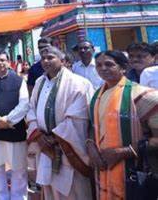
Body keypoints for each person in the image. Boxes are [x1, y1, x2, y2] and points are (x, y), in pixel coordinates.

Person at [87, 50, 158, 200]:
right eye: (99, 65)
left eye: (109, 64)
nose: (103, 68)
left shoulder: (143, 96)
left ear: (123, 68)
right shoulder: (97, 96)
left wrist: (124, 152)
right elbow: (94, 127)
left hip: (135, 172)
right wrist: (91, 147)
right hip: (103, 168)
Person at [27, 46, 93, 199]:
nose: (45, 61)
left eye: (50, 57)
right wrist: (38, 135)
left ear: (63, 61)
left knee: (72, 189)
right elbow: (31, 109)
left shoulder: (79, 83)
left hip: (68, 146)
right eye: (43, 58)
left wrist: (54, 138)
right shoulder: (39, 82)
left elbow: (78, 117)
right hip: (44, 145)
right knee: (50, 188)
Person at [0, 50, 29, 200]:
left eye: (3, 60)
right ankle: (0, 196)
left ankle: (18, 197)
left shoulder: (19, 80)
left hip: (15, 130)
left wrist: (8, 120)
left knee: (19, 168)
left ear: (8, 62)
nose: (0, 63)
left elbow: (24, 103)